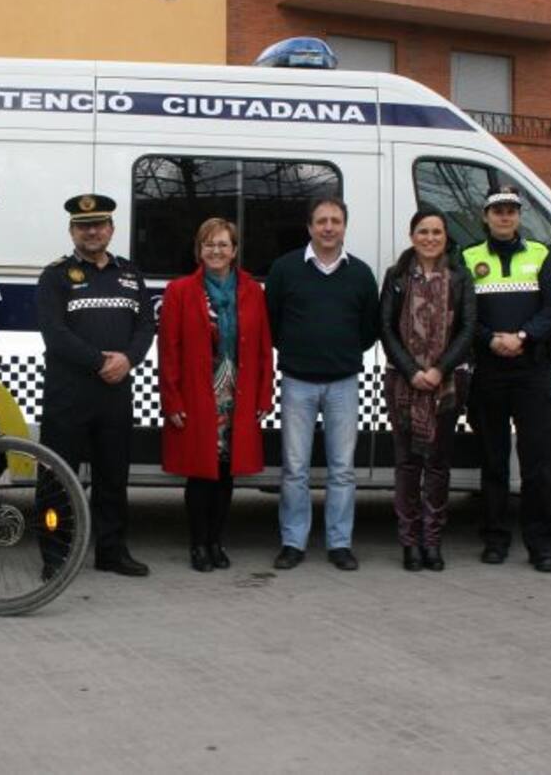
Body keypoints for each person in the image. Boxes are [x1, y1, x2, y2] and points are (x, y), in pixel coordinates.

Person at [36, 194, 155, 577]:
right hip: (68, 394)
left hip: (114, 394)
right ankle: (55, 555)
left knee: (112, 478)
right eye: (83, 226)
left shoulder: (130, 275)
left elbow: (146, 326)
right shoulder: (55, 275)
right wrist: (100, 361)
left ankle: (111, 551)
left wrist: (129, 359)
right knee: (57, 480)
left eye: (99, 224)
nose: (92, 231)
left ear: (111, 229)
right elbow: (54, 334)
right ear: (72, 231)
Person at [264, 196, 380, 571]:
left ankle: (339, 543)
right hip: (297, 381)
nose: (328, 227)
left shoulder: (361, 274)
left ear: (345, 226)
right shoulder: (285, 269)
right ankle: (293, 542)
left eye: (335, 221)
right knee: (295, 467)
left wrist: (339, 353)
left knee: (342, 468)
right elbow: (273, 323)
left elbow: (368, 330)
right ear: (309, 227)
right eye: (321, 221)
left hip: (344, 383)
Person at [159, 218, 274, 572]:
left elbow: (263, 348)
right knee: (200, 475)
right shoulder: (179, 291)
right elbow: (168, 350)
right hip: (197, 395)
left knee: (226, 475)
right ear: (199, 250)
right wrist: (172, 400)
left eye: (223, 244)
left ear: (235, 250)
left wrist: (263, 397)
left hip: (236, 396)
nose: (216, 250)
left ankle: (216, 542)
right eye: (209, 244)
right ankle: (198, 545)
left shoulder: (253, 290)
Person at [463, 186, 551, 573]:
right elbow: (464, 312)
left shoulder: (541, 254)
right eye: (497, 210)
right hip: (488, 370)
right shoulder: (469, 256)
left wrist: (522, 337)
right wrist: (490, 339)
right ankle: (494, 540)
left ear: (519, 216)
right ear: (485, 217)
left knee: (537, 463)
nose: (504, 216)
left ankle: (541, 546)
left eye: (511, 210)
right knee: (493, 462)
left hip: (531, 370)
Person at [379, 207, 475, 572]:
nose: (430, 238)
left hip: (446, 384)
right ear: (412, 235)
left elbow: (468, 329)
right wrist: (412, 370)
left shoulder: (461, 278)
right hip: (403, 382)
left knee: (437, 465)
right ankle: (409, 543)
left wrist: (438, 370)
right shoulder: (397, 276)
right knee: (406, 464)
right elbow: (385, 327)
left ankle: (432, 541)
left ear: (445, 237)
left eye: (437, 232)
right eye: (423, 231)